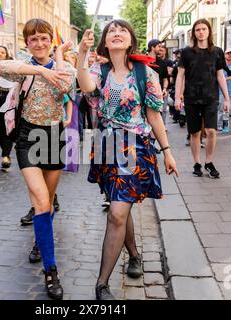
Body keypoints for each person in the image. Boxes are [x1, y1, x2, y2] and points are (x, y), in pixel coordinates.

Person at [77, 19, 178, 300]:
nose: (117, 33)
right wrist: (81, 53)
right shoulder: (100, 69)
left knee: (117, 212)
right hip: (107, 147)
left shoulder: (146, 74)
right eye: (111, 31)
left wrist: (167, 150)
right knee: (120, 207)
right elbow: (85, 85)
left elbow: (154, 115)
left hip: (135, 149)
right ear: (105, 42)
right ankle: (134, 254)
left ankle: (101, 284)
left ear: (131, 39)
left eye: (122, 30)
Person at [0, 18, 75, 300]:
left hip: (54, 138)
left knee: (48, 203)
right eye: (33, 39)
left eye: (44, 38)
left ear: (51, 41)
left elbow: (67, 88)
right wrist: (39, 68)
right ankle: (51, 271)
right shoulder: (24, 69)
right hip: (28, 138)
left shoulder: (64, 66)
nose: (39, 43)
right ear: (27, 43)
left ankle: (41, 241)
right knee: (41, 201)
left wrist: (59, 58)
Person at [175, 19, 230, 179]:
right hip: (191, 98)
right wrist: (178, 96)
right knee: (195, 132)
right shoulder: (187, 52)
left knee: (211, 130)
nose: (201, 32)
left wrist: (227, 98)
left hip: (211, 97)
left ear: (208, 31)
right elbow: (180, 75)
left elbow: (220, 76)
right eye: (198, 29)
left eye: (204, 29)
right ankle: (197, 162)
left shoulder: (217, 52)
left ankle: (209, 161)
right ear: (194, 32)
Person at [0, 45, 15, 169]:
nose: (0, 54)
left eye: (2, 52)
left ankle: (5, 155)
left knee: (8, 127)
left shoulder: (10, 68)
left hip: (8, 98)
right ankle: (5, 152)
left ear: (6, 55)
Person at [147, 39, 169, 124]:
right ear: (152, 47)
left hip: (158, 93)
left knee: (159, 113)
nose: (161, 49)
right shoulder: (142, 61)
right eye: (159, 46)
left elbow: (165, 78)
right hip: (146, 93)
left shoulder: (162, 63)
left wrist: (164, 88)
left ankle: (159, 131)